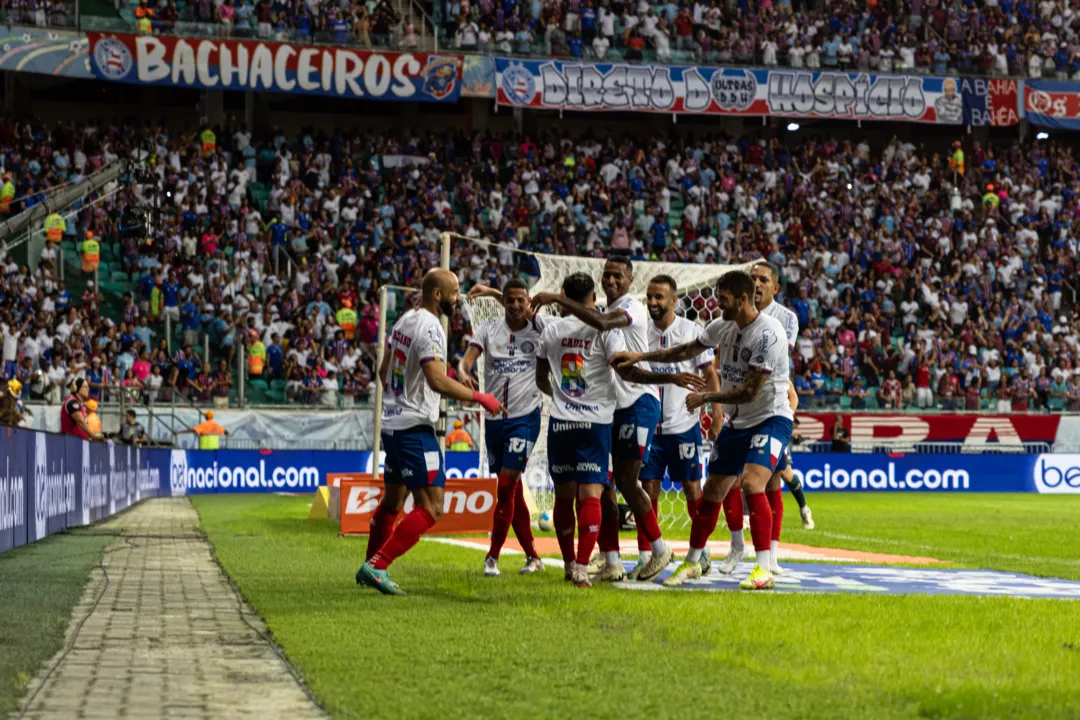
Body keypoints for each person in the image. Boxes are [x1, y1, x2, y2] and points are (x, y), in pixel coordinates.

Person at [613, 270, 792, 590]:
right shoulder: (722, 326)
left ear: (742, 299)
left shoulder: (768, 334)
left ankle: (763, 567)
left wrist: (707, 397)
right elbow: (685, 351)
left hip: (771, 418)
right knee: (712, 492)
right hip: (739, 422)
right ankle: (694, 562)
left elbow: (751, 392)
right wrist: (641, 355)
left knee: (752, 483)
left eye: (723, 299)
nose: (717, 304)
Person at [534, 272, 703, 588]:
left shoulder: (626, 311)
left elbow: (541, 375)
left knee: (620, 482)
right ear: (594, 296)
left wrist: (562, 398)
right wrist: (668, 377)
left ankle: (655, 549)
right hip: (604, 415)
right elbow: (622, 366)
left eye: (617, 275)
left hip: (629, 406)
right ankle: (607, 561)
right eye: (607, 275)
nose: (612, 280)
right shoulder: (602, 324)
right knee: (601, 489)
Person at [357, 269, 505, 597]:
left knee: (393, 501)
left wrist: (402, 399)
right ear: (437, 294)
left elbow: (384, 372)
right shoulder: (431, 327)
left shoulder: (404, 320)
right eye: (454, 292)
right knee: (432, 507)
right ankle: (377, 566)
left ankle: (371, 563)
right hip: (415, 430)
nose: (459, 298)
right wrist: (481, 397)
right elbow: (436, 380)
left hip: (393, 426)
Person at [715, 261, 813, 576]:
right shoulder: (733, 312)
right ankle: (736, 547)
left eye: (763, 279)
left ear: (774, 286)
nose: (757, 283)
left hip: (770, 401)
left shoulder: (785, 319)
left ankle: (769, 557)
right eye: (753, 278)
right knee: (730, 480)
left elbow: (776, 363)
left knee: (769, 480)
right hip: (738, 407)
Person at [636, 274, 721, 579]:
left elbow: (710, 375)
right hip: (648, 425)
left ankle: (702, 552)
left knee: (692, 488)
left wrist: (716, 414)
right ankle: (648, 555)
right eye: (650, 297)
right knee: (647, 490)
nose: (653, 303)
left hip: (683, 425)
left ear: (674, 300)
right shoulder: (640, 331)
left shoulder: (691, 331)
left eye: (659, 297)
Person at [460, 278, 544, 576]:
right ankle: (533, 556)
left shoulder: (540, 329)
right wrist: (462, 371)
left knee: (506, 484)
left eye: (522, 300)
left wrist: (495, 292)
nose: (516, 305)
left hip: (525, 416)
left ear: (529, 302)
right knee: (512, 490)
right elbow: (467, 361)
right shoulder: (487, 328)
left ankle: (492, 556)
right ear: (504, 302)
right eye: (510, 300)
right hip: (494, 420)